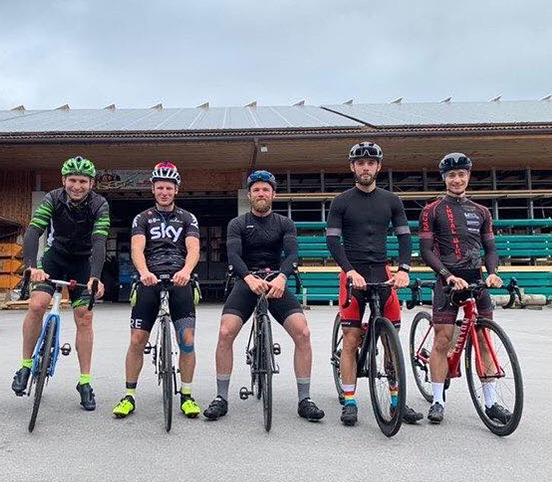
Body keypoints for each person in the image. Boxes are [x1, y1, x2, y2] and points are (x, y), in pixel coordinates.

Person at [203, 170, 325, 422]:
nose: (261, 193)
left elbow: (292, 255)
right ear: (249, 195)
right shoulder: (237, 224)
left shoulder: (284, 223)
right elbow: (234, 256)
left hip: (276, 282)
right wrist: (248, 278)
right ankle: (221, 397)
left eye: (266, 189)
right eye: (256, 190)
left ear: (273, 194)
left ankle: (305, 399)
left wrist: (282, 277)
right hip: (246, 281)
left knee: (303, 332)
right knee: (225, 332)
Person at [326, 142, 423, 426]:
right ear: (352, 167)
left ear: (378, 167)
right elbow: (333, 240)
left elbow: (405, 237)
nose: (365, 167)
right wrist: (349, 270)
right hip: (353, 273)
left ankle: (396, 400)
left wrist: (404, 269)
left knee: (390, 340)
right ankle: (350, 400)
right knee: (351, 339)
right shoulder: (341, 201)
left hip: (381, 271)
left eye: (371, 163)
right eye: (360, 163)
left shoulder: (391, 200)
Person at [11, 156, 108, 411]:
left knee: (84, 316)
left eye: (83, 181)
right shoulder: (53, 198)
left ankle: (84, 381)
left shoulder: (100, 204)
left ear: (91, 183)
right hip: (55, 257)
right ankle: (25, 365)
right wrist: (33, 266)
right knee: (37, 305)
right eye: (72, 180)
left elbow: (99, 241)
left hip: (83, 261)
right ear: (64, 180)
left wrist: (94, 276)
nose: (77, 186)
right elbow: (34, 231)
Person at [418, 152, 508, 424]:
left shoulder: (482, 212)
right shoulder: (431, 210)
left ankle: (491, 402)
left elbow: (490, 248)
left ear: (468, 176)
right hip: (447, 279)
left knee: (483, 339)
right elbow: (425, 251)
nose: (457, 180)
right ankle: (437, 400)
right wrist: (446, 275)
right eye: (451, 175)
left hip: (476, 278)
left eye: (461, 174)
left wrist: (492, 274)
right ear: (444, 179)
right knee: (443, 339)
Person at [112, 162, 202, 419]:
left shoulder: (187, 218)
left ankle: (186, 394)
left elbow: (194, 249)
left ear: (176, 190)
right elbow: (137, 249)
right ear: (153, 189)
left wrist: (186, 271)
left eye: (169, 187)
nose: (164, 191)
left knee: (187, 340)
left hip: (180, 280)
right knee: (137, 340)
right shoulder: (142, 218)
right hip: (148, 280)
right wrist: (143, 273)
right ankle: (129, 395)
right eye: (160, 187)